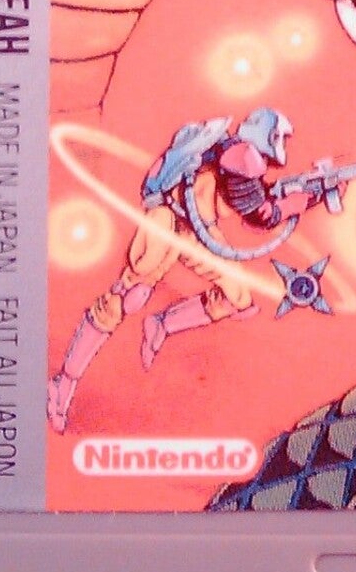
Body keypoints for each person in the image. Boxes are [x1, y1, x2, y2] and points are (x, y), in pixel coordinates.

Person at [46, 107, 316, 434]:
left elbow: (252, 197)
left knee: (238, 298)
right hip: (168, 220)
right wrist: (299, 203)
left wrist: (302, 194)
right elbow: (260, 215)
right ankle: (63, 384)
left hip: (197, 231)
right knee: (128, 296)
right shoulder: (244, 157)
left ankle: (163, 323)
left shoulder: (234, 153)